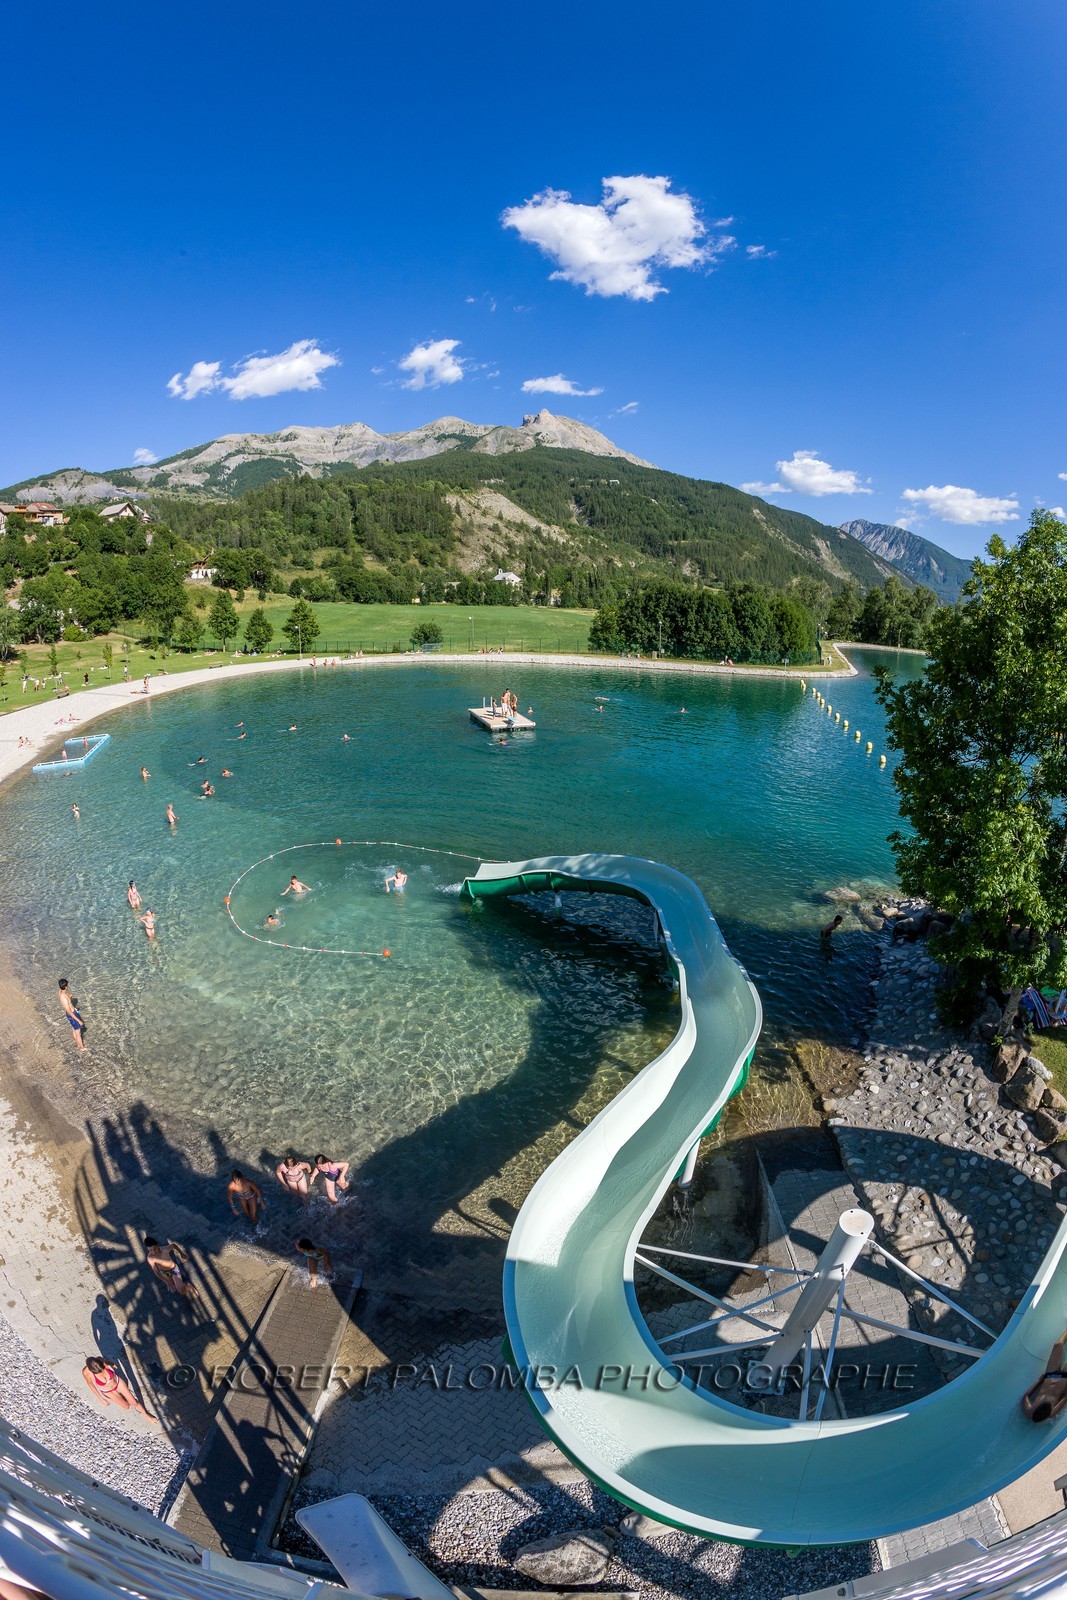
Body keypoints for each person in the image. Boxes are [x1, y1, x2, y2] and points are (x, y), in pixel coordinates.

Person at [81, 1357, 157, 1422]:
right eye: (98, 1373)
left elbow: (106, 1362)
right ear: (92, 1371)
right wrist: (101, 1399)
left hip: (117, 1383)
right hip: (108, 1391)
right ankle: (121, 1396)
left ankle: (146, 1415)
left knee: (134, 1402)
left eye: (103, 1369)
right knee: (126, 1407)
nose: (102, 1373)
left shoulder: (100, 1360)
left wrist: (111, 1364)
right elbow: (90, 1385)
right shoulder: (86, 1372)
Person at [1022, 1328, 1067, 1421]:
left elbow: (1025, 1396)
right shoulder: (1051, 1412)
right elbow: (1065, 1397)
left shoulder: (1028, 1410)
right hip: (1065, 1378)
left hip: (1050, 1375)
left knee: (1057, 1345)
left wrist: (1039, 1381)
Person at [144, 1237, 199, 1302]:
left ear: (157, 1245)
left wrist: (182, 1254)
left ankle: (189, 1287)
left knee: (181, 1291)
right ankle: (176, 1282)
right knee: (172, 1284)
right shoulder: (150, 1258)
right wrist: (167, 1282)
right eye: (150, 1250)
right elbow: (156, 1272)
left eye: (154, 1249)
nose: (153, 1252)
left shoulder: (165, 1249)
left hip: (174, 1270)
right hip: (164, 1272)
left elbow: (173, 1245)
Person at [58, 979, 86, 1052]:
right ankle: (82, 1048)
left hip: (73, 1013)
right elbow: (69, 1011)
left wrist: (69, 998)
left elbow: (67, 1003)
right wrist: (78, 1020)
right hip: (72, 1015)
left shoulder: (61, 992)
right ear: (66, 986)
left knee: (74, 1029)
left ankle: (78, 1043)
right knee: (78, 1032)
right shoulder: (63, 997)